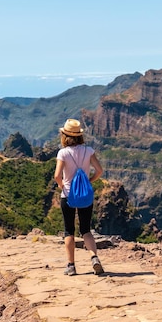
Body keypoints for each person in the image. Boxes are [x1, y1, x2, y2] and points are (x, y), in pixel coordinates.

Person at [54, 118, 105, 276]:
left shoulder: (63, 153)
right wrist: (89, 182)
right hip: (85, 195)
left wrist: (63, 186)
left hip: (68, 196)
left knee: (69, 231)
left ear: (65, 135)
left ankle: (71, 266)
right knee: (86, 230)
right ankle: (94, 257)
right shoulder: (88, 151)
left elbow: (57, 176)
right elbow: (99, 171)